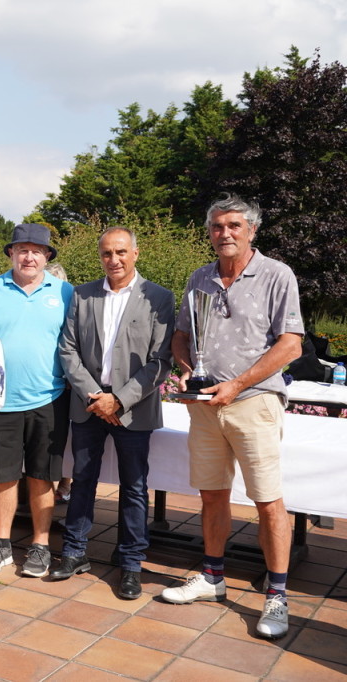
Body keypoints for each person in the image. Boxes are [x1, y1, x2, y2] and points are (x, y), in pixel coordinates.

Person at [162, 194, 303, 640]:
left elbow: (291, 344)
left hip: (254, 402)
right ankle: (212, 577)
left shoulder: (277, 274)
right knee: (212, 496)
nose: (225, 233)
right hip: (206, 408)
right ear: (209, 232)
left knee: (267, 502)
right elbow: (182, 336)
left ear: (252, 230)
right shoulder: (199, 277)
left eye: (234, 226)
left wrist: (237, 385)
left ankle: (276, 596)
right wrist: (187, 372)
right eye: (217, 226)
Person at [52, 227, 175, 599]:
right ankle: (74, 551)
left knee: (134, 487)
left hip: (134, 408)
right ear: (100, 256)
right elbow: (68, 350)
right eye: (107, 253)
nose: (114, 260)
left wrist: (119, 400)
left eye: (121, 252)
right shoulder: (82, 295)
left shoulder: (159, 298)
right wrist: (95, 395)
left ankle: (130, 563)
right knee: (82, 479)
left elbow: (161, 360)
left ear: (135, 253)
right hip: (89, 404)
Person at [0, 223, 73, 578]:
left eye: (37, 251)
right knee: (4, 477)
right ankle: (1, 544)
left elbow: (73, 346)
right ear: (11, 253)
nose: (29, 256)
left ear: (47, 257)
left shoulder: (64, 292)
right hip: (1, 401)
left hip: (50, 399)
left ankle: (41, 545)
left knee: (43, 478)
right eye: (22, 249)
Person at [44, 262, 72, 504]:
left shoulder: (69, 300)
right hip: (46, 380)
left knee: (60, 440)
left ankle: (64, 482)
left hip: (66, 381)